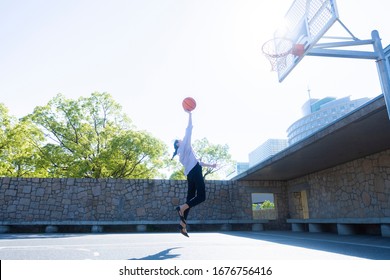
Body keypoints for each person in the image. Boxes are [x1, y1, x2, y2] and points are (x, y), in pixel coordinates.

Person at [171, 110, 216, 237]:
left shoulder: (180, 154)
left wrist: (210, 165)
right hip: (195, 171)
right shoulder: (184, 145)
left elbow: (198, 162)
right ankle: (181, 208)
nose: (181, 139)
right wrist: (190, 114)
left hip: (190, 174)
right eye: (179, 140)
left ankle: (182, 225)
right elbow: (189, 129)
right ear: (178, 144)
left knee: (189, 200)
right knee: (201, 196)